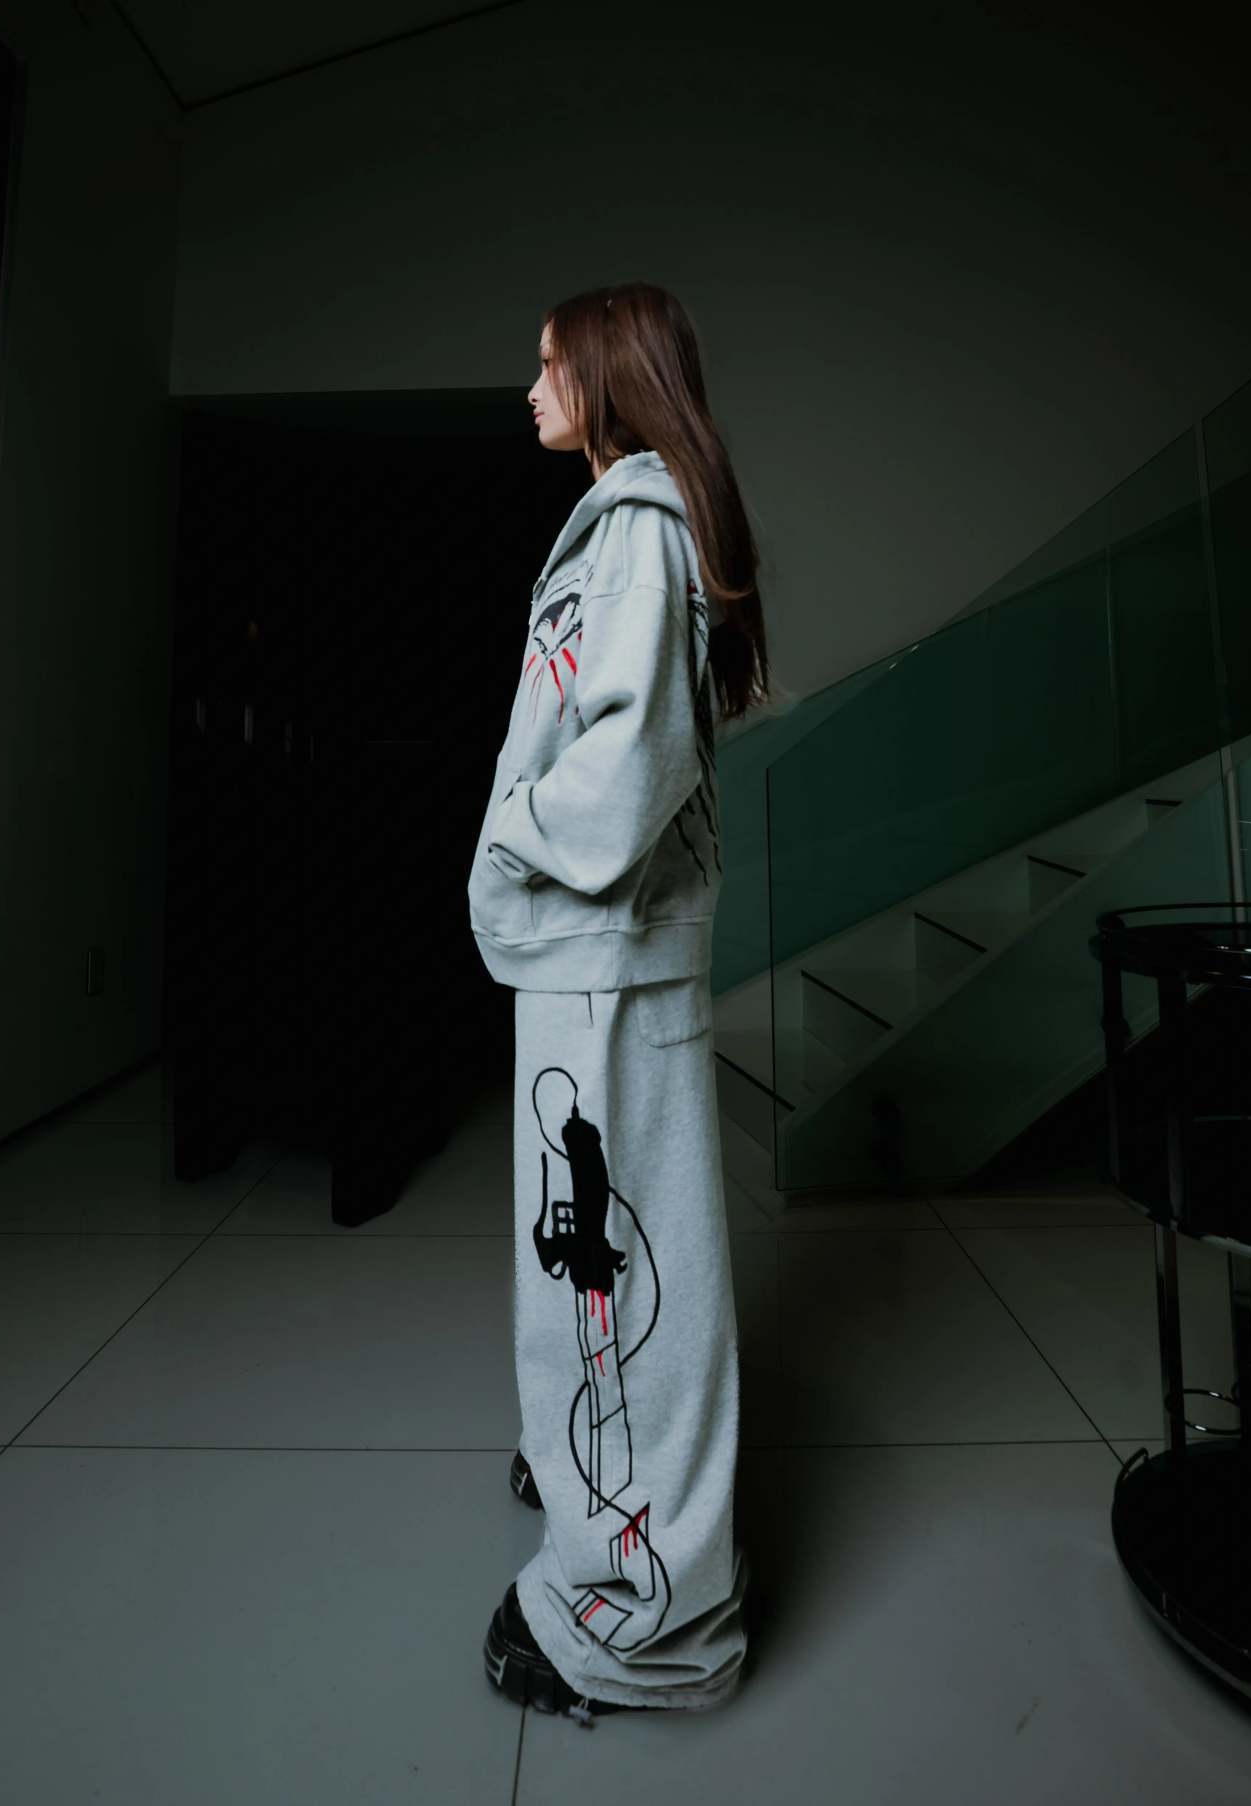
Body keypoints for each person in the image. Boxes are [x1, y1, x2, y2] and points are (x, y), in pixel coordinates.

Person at [473, 282, 771, 1727]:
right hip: (592, 964)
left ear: (604, 375)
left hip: (604, 963)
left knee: (614, 1294)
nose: (531, 388)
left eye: (549, 365)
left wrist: (507, 829)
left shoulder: (640, 525)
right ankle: (597, 1492)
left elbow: (627, 767)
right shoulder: (632, 521)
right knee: (599, 1281)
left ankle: (636, 1623)